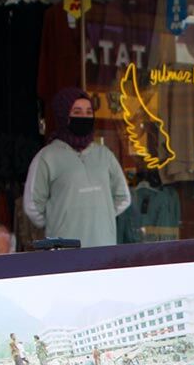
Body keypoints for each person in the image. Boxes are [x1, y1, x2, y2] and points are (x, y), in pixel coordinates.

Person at [23, 88, 131, 247]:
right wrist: (61, 219)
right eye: (77, 111)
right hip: (65, 251)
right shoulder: (47, 157)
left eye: (88, 112)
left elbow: (123, 197)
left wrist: (100, 214)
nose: (84, 117)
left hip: (103, 247)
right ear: (64, 115)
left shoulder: (104, 155)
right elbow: (33, 206)